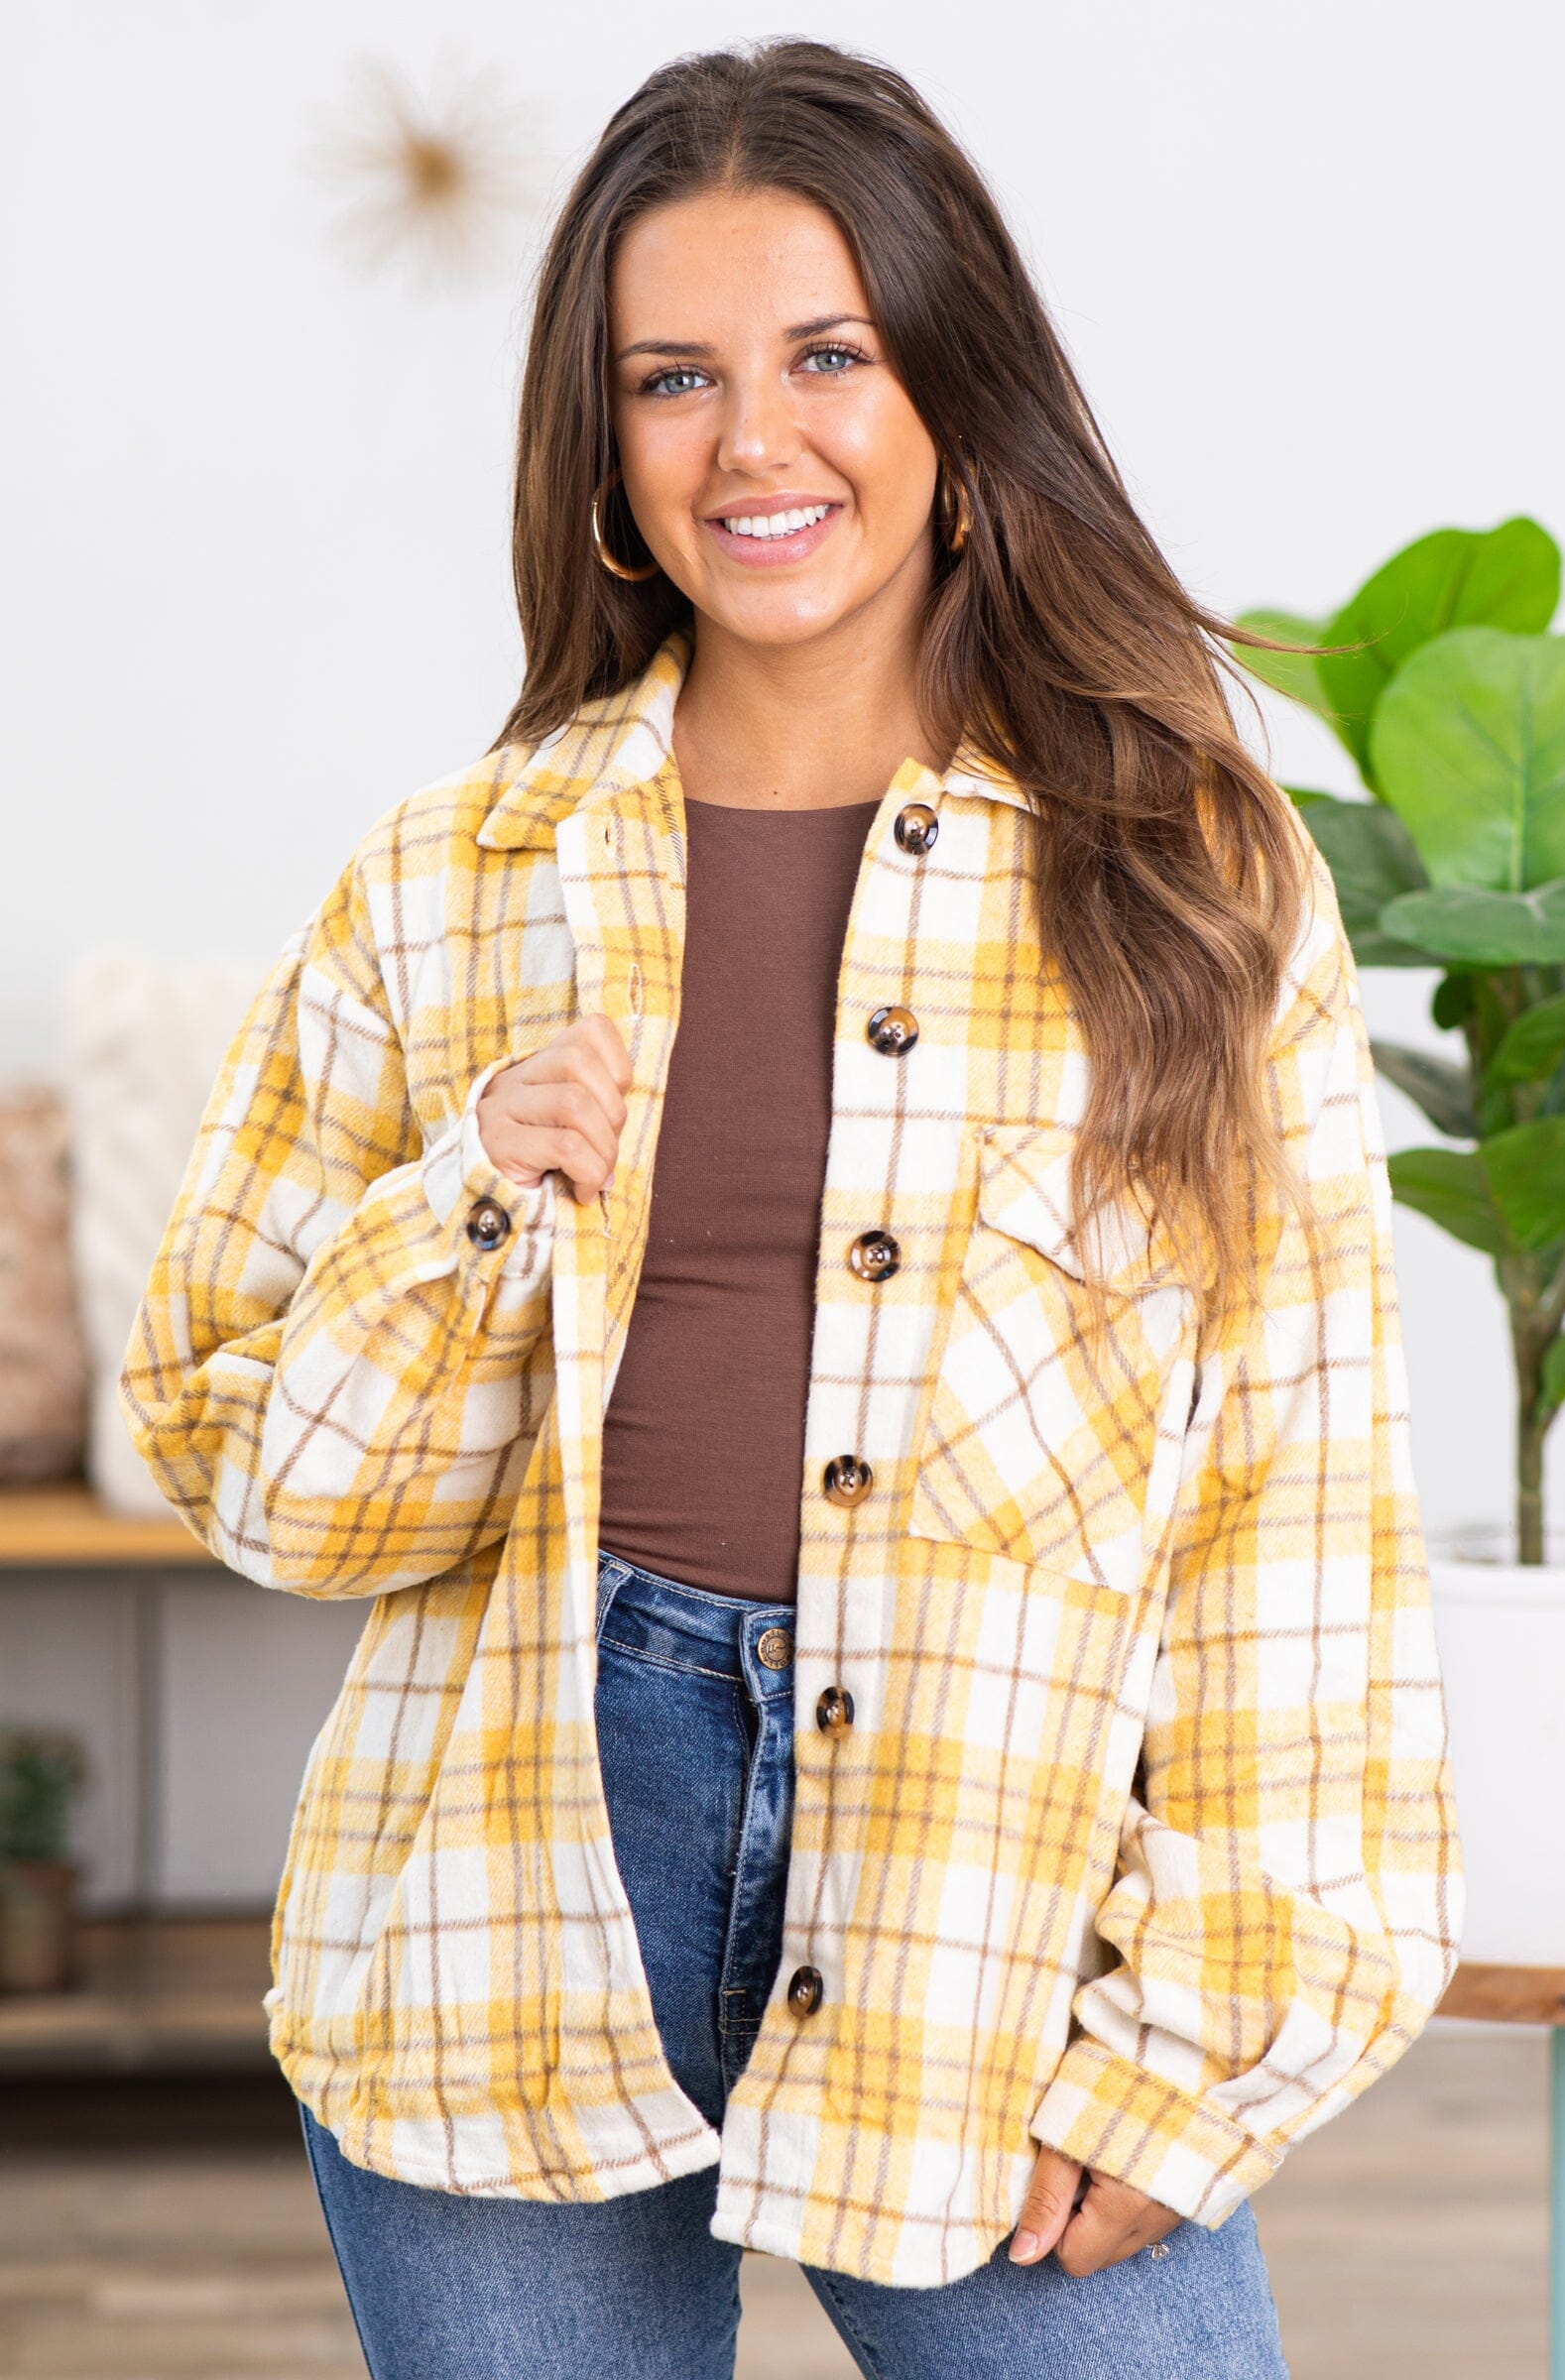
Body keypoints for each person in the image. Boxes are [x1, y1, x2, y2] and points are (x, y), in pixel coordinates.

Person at [120, 38, 1462, 2380]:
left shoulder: (1185, 875)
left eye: (826, 354)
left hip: (990, 1878)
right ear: (603, 445)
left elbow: (1291, 1493)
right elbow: (254, 1484)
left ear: (952, 385)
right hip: (508, 1880)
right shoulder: (449, 881)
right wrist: (471, 1200)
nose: (754, 441)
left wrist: (1211, 2031)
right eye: (675, 378)